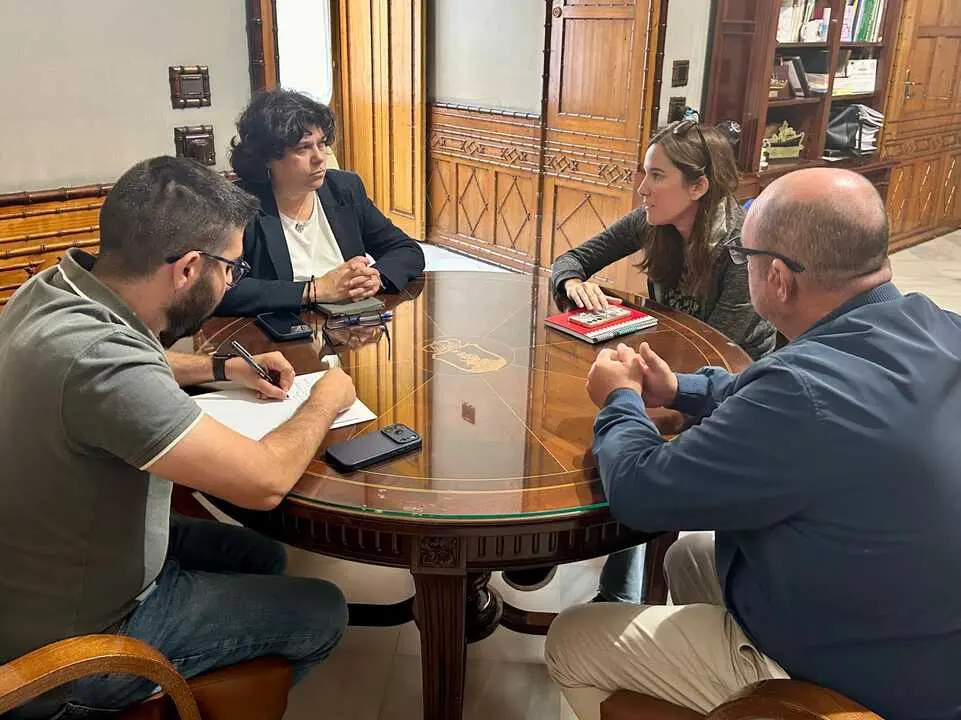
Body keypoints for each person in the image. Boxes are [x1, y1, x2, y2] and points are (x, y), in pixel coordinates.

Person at [544, 168, 961, 720]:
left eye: (748, 258)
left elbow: (641, 492)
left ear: (780, 279)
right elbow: (775, 398)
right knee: (695, 554)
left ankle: (748, 699)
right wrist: (679, 389)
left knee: (570, 639)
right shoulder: (940, 325)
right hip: (922, 639)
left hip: (856, 683)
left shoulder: (803, 391)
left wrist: (619, 399)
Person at [0, 157, 358, 718]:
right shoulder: (98, 361)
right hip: (77, 643)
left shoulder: (58, 288)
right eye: (233, 270)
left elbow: (136, 362)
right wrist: (326, 399)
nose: (232, 281)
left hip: (48, 568)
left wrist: (221, 369)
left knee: (260, 555)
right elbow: (263, 484)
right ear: (190, 268)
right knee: (323, 609)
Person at [507, 120, 776, 600]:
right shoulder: (655, 221)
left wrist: (637, 389)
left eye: (656, 176)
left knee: (632, 431)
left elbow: (721, 353)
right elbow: (571, 258)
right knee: (571, 411)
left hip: (730, 379)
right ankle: (542, 541)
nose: (641, 188)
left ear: (698, 186)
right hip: (667, 354)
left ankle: (618, 582)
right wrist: (572, 285)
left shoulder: (737, 249)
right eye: (644, 172)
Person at [216, 88, 425, 317]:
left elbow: (407, 249)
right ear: (267, 157)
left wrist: (376, 278)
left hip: (347, 333)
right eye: (303, 148)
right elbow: (219, 291)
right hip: (273, 340)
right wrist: (314, 290)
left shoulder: (345, 189)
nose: (319, 157)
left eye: (322, 144)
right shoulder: (237, 205)